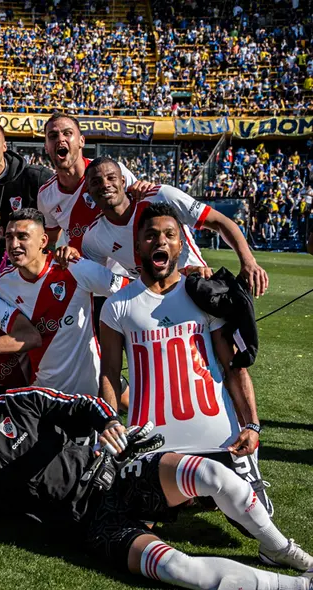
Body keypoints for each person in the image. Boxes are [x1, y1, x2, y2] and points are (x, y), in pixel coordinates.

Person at [0, 356, 313, 589]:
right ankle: (296, 587)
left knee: (212, 475)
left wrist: (108, 423)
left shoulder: (24, 401)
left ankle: (278, 548)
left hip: (114, 473)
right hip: (90, 525)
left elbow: (84, 405)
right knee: (180, 569)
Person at [99, 202, 273, 513]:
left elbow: (234, 367)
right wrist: (111, 421)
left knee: (256, 520)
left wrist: (253, 425)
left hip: (219, 437)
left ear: (182, 243)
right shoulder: (116, 306)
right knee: (134, 514)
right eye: (151, 235)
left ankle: (240, 474)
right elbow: (110, 372)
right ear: (137, 245)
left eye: (169, 234)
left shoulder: (204, 294)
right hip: (153, 442)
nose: (160, 241)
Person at [79, 157, 269, 296]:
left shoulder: (162, 196)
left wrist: (249, 262)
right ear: (88, 190)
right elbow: (98, 281)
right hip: (152, 303)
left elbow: (220, 222)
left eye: (111, 178)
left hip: (198, 291)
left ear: (122, 181)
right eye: (96, 182)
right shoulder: (93, 237)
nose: (105, 185)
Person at [0, 209, 129, 397]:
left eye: (23, 236)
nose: (14, 244)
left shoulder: (75, 268)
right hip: (44, 395)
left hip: (91, 391)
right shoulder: (2, 285)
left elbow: (129, 291)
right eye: (9, 237)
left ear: (43, 241)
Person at [37, 113, 139, 250]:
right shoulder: (45, 195)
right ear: (46, 147)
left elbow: (143, 210)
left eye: (67, 133)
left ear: (81, 141)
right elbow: (50, 240)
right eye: (53, 136)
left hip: (124, 268)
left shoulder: (113, 172)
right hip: (84, 268)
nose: (60, 139)